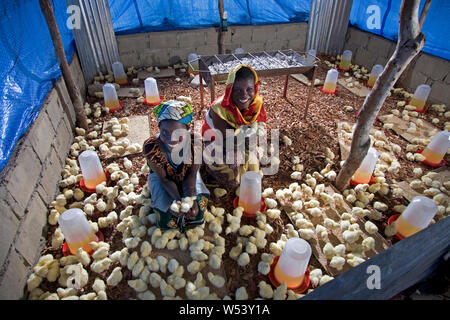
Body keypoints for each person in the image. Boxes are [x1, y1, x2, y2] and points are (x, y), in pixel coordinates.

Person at [143, 100, 210, 231]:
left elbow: (191, 174)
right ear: (159, 129)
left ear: (188, 130)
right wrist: (179, 201)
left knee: (198, 211)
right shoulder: (152, 147)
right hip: (162, 178)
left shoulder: (195, 142)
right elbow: (164, 179)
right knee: (167, 215)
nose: (171, 138)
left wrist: (189, 199)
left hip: (188, 176)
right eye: (164, 132)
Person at [201, 64, 267, 192]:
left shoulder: (256, 104)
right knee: (232, 167)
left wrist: (255, 135)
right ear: (230, 89)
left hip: (240, 139)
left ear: (255, 88)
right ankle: (228, 181)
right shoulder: (219, 109)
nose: (244, 95)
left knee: (252, 160)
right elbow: (225, 141)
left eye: (249, 89)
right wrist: (248, 141)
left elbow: (259, 127)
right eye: (238, 90)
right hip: (219, 141)